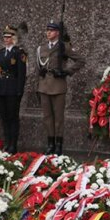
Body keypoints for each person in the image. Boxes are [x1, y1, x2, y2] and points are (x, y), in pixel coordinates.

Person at [36, 20, 85, 155]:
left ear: (57, 33)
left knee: (58, 118)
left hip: (58, 86)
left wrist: (66, 71)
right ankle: (50, 143)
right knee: (47, 117)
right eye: (47, 30)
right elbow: (39, 66)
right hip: (44, 86)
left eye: (51, 30)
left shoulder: (64, 47)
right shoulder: (41, 48)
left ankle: (58, 144)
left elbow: (81, 60)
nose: (48, 33)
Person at [0, 25, 27, 153]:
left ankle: (13, 144)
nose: (6, 39)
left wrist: (19, 90)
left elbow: (21, 73)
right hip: (1, 87)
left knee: (12, 117)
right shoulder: (0, 52)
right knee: (4, 117)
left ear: (14, 38)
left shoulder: (18, 52)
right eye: (4, 37)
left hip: (12, 87)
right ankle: (7, 142)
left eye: (8, 37)